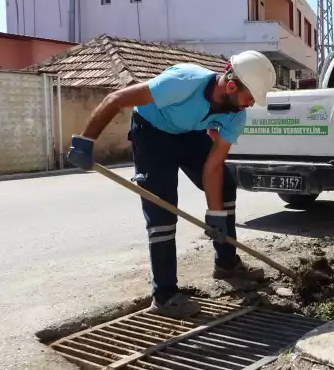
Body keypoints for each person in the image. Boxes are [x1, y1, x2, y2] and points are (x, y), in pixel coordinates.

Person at [66, 51, 276, 318]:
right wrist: (85, 141)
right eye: (249, 99)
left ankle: (226, 263)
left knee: (224, 186)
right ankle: (164, 295)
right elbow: (115, 99)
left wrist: (216, 217)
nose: (249, 106)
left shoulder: (235, 115)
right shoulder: (183, 82)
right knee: (162, 209)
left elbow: (212, 166)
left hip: (188, 134)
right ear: (232, 86)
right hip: (152, 132)